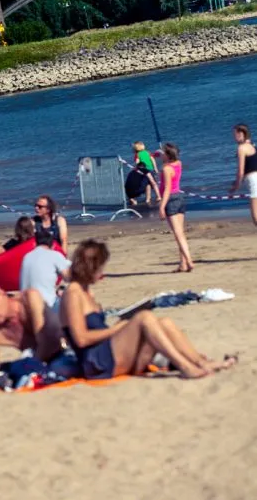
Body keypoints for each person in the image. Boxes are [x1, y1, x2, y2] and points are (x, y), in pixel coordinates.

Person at [60, 240, 233, 379]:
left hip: (110, 353)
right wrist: (116, 330)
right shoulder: (73, 294)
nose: (102, 274)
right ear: (92, 267)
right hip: (97, 363)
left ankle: (200, 362)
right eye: (101, 268)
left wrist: (120, 328)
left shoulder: (85, 291)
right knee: (144, 317)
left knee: (165, 322)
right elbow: (81, 339)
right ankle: (185, 366)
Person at [0, 283, 65, 376]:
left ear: (2, 295)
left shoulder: (28, 299)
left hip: (63, 349)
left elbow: (44, 341)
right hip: (40, 360)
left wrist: (28, 366)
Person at [157, 142, 193, 272]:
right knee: (181, 233)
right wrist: (159, 153)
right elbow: (164, 156)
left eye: (163, 153)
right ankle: (182, 264)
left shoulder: (166, 169)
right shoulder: (178, 163)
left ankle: (188, 260)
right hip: (179, 197)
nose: (161, 154)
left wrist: (162, 206)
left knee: (178, 234)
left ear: (167, 155)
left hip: (171, 200)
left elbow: (166, 189)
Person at [19, 228, 71, 310]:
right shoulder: (54, 255)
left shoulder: (26, 257)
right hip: (47, 306)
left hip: (26, 307)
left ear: (35, 244)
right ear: (53, 246)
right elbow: (68, 277)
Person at [231, 123, 257, 226]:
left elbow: (240, 171)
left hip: (253, 181)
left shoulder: (242, 148)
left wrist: (236, 186)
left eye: (235, 134)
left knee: (255, 216)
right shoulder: (252, 145)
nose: (234, 137)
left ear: (241, 133)